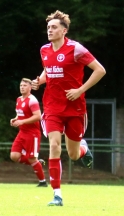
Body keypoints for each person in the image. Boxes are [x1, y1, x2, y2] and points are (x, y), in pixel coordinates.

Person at [31, 10, 106, 206]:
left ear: (64, 30)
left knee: (73, 154)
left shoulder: (76, 49)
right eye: (48, 27)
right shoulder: (44, 50)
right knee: (54, 145)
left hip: (75, 107)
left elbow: (100, 70)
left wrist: (80, 89)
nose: (50, 30)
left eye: (54, 27)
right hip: (52, 106)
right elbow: (48, 71)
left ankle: (83, 148)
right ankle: (57, 195)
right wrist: (39, 81)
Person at [10, 78, 47, 187]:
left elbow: (38, 116)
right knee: (14, 156)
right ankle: (36, 162)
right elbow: (20, 114)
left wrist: (22, 121)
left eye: (25, 86)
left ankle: (42, 182)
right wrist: (15, 119)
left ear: (30, 88)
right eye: (21, 85)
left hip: (32, 133)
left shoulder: (32, 100)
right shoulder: (19, 99)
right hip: (22, 132)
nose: (22, 87)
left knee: (31, 158)